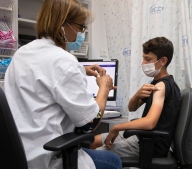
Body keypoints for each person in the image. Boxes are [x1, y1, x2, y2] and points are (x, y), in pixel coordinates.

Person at [4, 0, 121, 169]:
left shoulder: (22, 53)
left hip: (21, 154)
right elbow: (90, 123)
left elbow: (45, 74)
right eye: (81, 27)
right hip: (50, 158)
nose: (82, 32)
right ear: (63, 24)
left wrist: (81, 69)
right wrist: (104, 87)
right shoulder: (64, 61)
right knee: (113, 161)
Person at [90, 37, 181, 158]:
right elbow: (131, 108)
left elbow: (149, 123)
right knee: (92, 141)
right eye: (143, 58)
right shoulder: (155, 83)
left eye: (148, 59)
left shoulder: (161, 86)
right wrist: (138, 94)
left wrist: (117, 127)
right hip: (142, 136)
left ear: (163, 61)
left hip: (149, 144)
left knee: (94, 156)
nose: (143, 63)